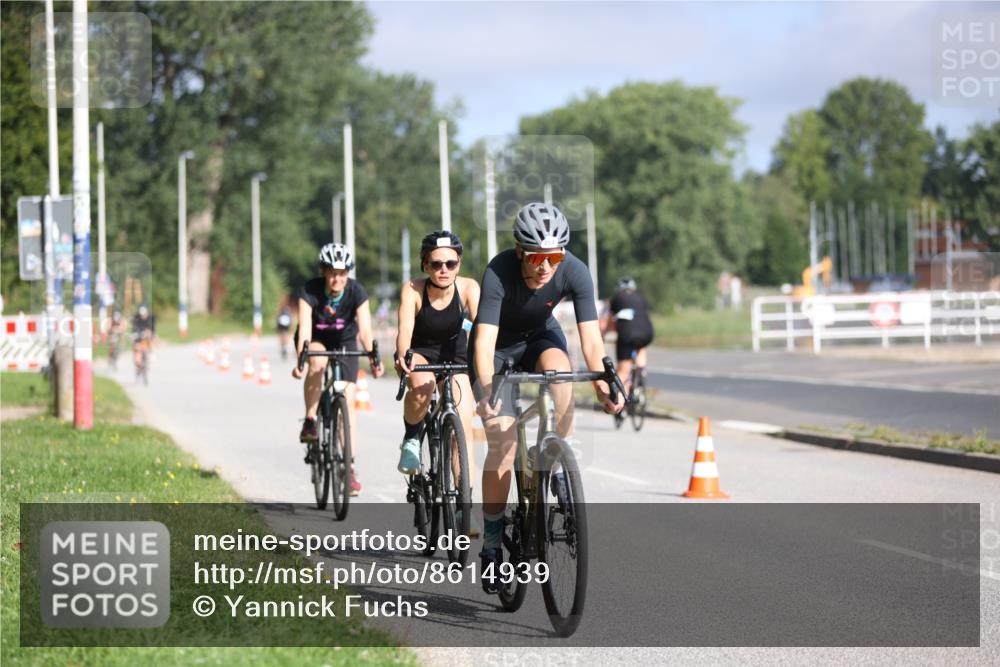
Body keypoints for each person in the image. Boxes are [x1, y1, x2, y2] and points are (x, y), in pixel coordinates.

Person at [471, 202, 623, 592]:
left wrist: (605, 384)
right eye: (537, 256)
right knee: (503, 443)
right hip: (498, 349)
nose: (545, 266)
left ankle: (558, 456)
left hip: (540, 337)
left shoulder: (574, 270)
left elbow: (591, 340)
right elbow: (484, 343)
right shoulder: (498, 271)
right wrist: (488, 391)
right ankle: (490, 544)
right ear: (520, 251)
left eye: (554, 257)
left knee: (561, 373)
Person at [394, 231, 481, 531]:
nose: (444, 269)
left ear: (458, 264)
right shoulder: (413, 290)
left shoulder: (469, 287)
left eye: (451, 263)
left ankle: (463, 504)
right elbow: (405, 328)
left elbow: (483, 329)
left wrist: (489, 362)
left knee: (464, 423)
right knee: (423, 387)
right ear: (425, 265)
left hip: (457, 355)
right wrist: (404, 354)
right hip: (421, 353)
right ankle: (412, 438)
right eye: (436, 264)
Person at [291, 243, 383, 497]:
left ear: (348, 274)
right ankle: (311, 419)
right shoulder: (309, 291)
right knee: (318, 362)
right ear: (323, 272)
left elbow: (365, 331)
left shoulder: (357, 292)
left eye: (342, 273)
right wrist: (302, 360)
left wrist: (374, 359)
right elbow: (305, 331)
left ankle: (349, 467)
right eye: (332, 272)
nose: (337, 278)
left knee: (349, 401)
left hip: (345, 341)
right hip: (317, 339)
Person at [602, 277, 655, 422]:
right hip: (647, 333)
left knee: (623, 371)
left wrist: (603, 336)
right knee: (640, 344)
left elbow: (609, 322)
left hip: (626, 334)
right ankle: (641, 371)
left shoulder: (615, 299)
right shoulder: (641, 299)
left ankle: (620, 403)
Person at [132, 304, 155, 378]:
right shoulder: (136, 318)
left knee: (150, 346)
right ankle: (138, 367)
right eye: (142, 315)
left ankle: (149, 358)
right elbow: (134, 329)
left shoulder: (151, 318)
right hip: (138, 337)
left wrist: (150, 333)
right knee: (137, 356)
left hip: (147, 337)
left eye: (144, 314)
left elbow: (152, 329)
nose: (143, 316)